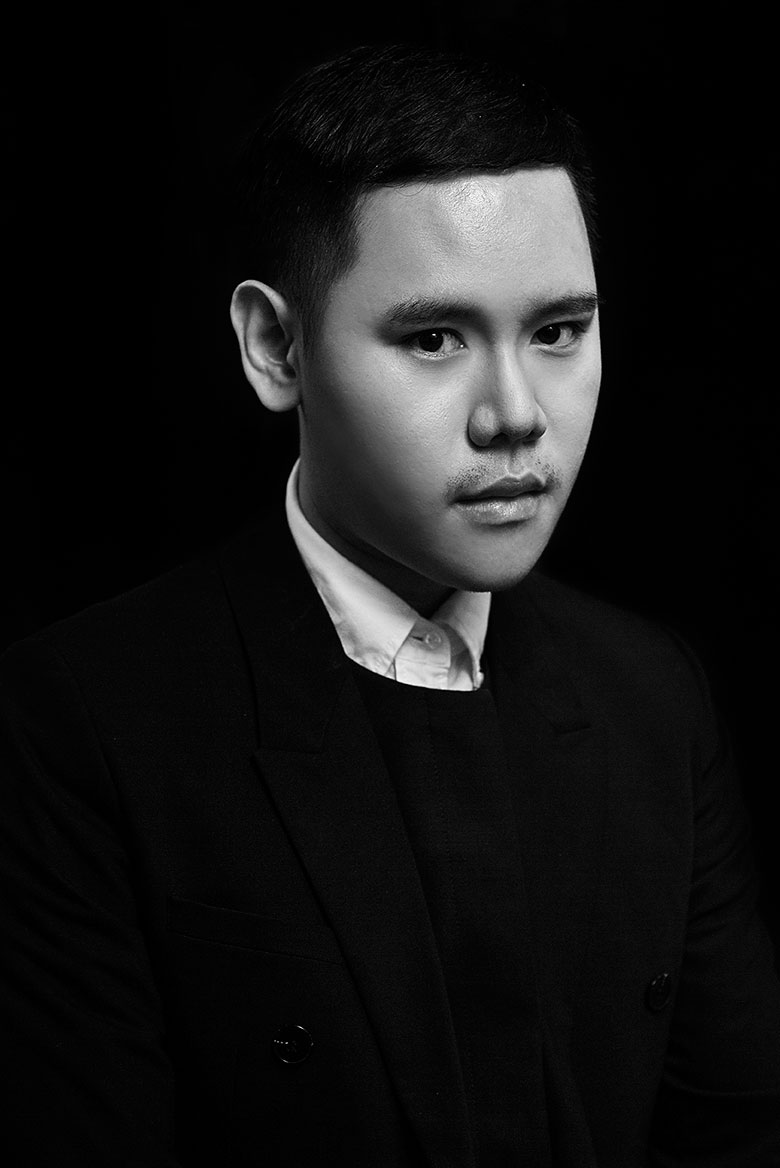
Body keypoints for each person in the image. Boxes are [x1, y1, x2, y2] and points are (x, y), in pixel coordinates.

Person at [1, 42, 779, 1168]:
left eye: (558, 331)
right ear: (276, 347)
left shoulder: (653, 696)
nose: (515, 413)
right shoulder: (87, 718)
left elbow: (733, 1129)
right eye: (432, 339)